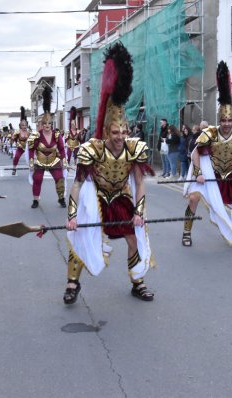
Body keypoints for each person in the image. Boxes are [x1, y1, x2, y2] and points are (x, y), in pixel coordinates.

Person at [64, 43, 155, 305]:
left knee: (134, 237)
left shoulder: (134, 148)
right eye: (115, 132)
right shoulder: (91, 149)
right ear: (106, 131)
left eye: (124, 131)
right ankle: (72, 283)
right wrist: (72, 216)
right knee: (81, 233)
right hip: (96, 196)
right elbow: (77, 185)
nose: (120, 136)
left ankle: (138, 281)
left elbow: (139, 183)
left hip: (122, 197)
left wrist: (139, 212)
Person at [182, 61, 232, 247]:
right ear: (219, 119)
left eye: (229, 120)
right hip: (209, 174)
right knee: (193, 198)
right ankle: (186, 232)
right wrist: (198, 174)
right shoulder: (210, 133)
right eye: (223, 120)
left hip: (230, 175)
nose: (226, 123)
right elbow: (196, 154)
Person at [27, 85, 67, 209]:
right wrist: (32, 162)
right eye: (45, 123)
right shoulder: (37, 135)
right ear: (42, 124)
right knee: (37, 179)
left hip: (54, 160)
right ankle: (35, 200)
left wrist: (64, 160)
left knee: (59, 178)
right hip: (40, 160)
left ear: (52, 124)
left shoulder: (57, 135)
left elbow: (61, 148)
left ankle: (61, 198)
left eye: (49, 123)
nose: (47, 125)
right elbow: (31, 149)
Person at [10, 106, 30, 175]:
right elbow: (13, 138)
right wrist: (13, 139)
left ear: (27, 125)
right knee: (16, 157)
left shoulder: (29, 132)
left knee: (32, 157)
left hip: (28, 147)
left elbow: (33, 140)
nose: (24, 126)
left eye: (25, 125)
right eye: (23, 125)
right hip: (20, 147)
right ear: (20, 126)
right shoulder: (18, 132)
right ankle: (14, 169)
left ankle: (33, 168)